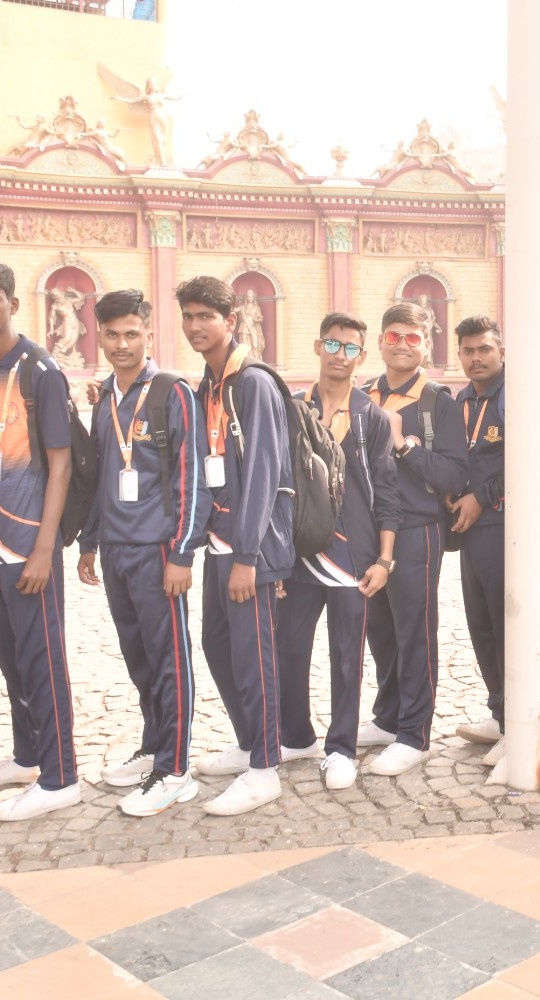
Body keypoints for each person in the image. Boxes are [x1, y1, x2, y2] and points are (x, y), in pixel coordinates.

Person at [76, 290, 210, 815]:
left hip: (157, 550)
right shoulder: (106, 398)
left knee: (169, 659)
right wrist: (89, 541)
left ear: (148, 335)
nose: (122, 344)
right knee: (140, 659)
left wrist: (182, 553)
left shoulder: (172, 393)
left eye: (132, 334)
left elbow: (191, 477)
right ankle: (154, 745)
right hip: (116, 549)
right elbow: (100, 476)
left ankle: (175, 770)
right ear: (99, 336)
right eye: (112, 334)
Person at [0, 261, 80, 822]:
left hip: (30, 543)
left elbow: (61, 464)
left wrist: (44, 549)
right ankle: (28, 756)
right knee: (11, 656)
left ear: (12, 302)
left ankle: (60, 776)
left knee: (42, 658)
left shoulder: (41, 372)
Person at [182, 276, 294, 813]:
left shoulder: (253, 383)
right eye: (188, 316)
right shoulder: (208, 385)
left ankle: (265, 768)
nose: (195, 326)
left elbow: (265, 474)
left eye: (206, 316)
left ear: (231, 321)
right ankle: (250, 740)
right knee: (218, 645)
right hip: (218, 544)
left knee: (254, 657)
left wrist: (248, 556)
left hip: (251, 549)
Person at [276, 312, 399, 790]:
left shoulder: (372, 418)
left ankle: (341, 748)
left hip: (354, 557)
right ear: (318, 346)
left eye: (349, 348)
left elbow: (387, 494)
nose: (339, 355)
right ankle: (296, 735)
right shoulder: (291, 410)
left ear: (361, 357)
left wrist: (384, 560)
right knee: (290, 648)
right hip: (299, 553)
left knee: (347, 656)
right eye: (332, 344)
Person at [355, 303, 468, 775]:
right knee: (379, 630)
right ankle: (388, 717)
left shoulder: (438, 401)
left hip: (417, 529)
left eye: (413, 338)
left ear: (427, 345)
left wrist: (404, 446)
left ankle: (414, 734)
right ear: (380, 342)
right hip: (368, 529)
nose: (402, 345)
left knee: (414, 631)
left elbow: (455, 475)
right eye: (394, 336)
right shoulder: (363, 395)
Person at [450, 317, 508, 746]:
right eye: (468, 351)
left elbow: (530, 457)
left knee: (507, 625)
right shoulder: (462, 400)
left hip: (504, 526)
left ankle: (517, 720)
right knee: (481, 623)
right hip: (471, 529)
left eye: (484, 349)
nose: (476, 358)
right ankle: (499, 711)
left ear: (501, 352)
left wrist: (481, 498)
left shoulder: (514, 397)